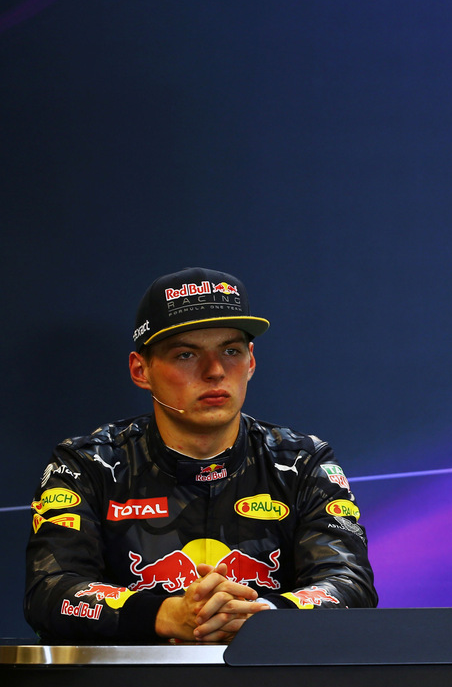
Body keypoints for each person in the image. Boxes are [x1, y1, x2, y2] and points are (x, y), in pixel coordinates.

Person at [26, 267, 376, 643]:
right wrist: (164, 614)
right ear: (140, 370)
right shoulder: (87, 464)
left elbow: (349, 583)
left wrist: (264, 618)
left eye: (231, 351)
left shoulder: (304, 462)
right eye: (186, 354)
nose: (215, 371)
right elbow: (50, 590)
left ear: (251, 361)